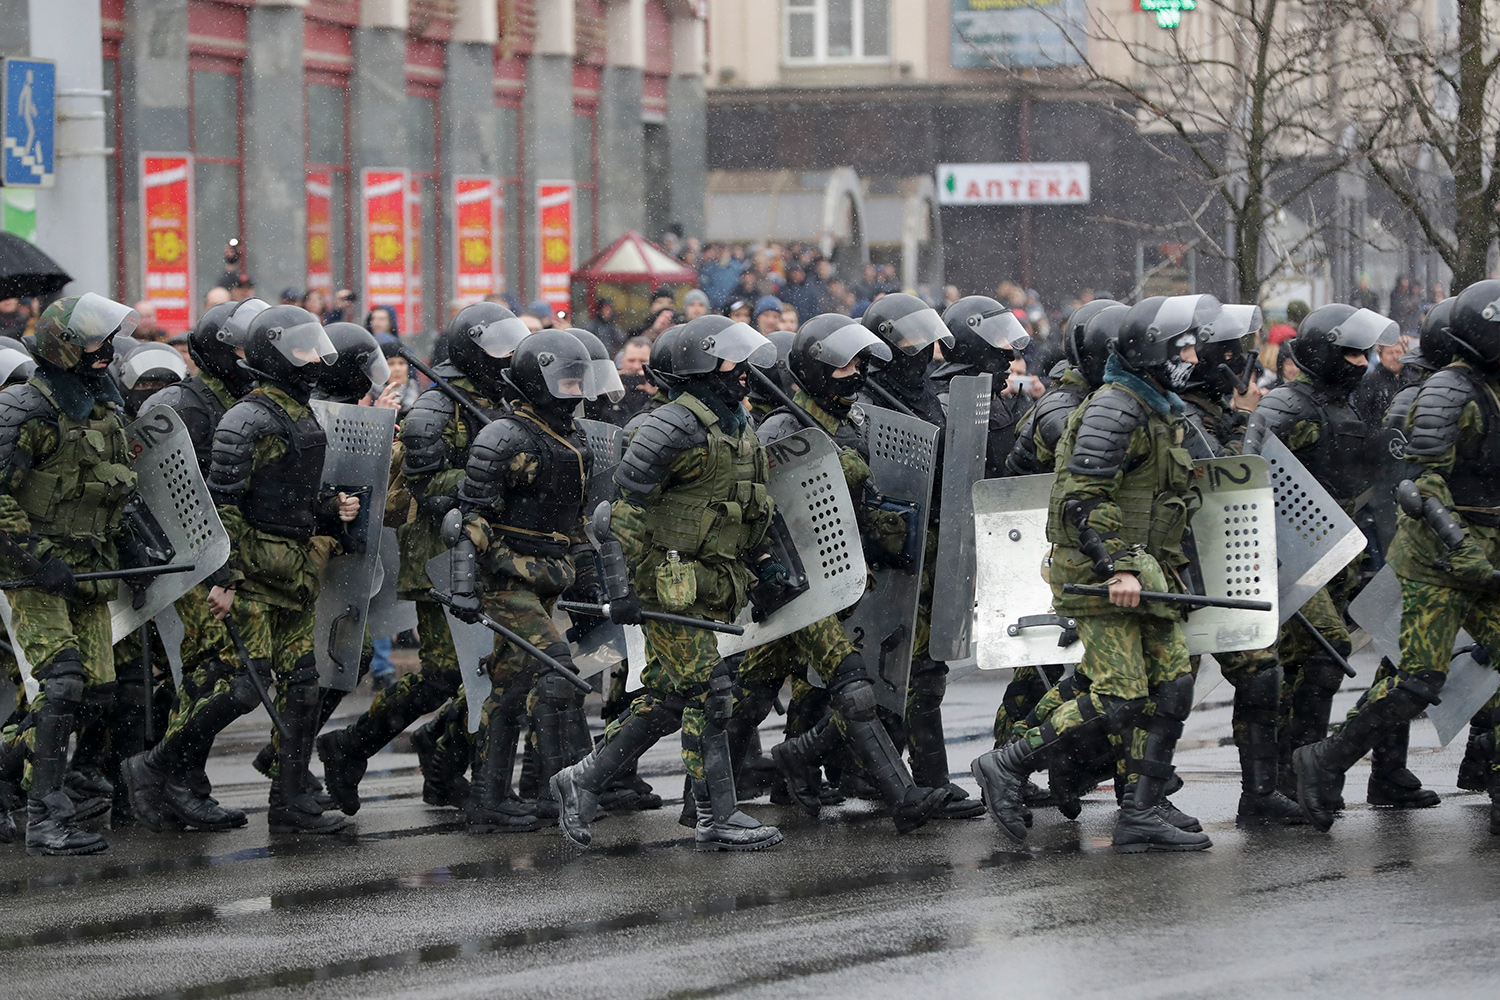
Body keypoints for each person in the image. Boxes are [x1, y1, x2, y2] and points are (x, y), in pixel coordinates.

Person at [971, 295, 1213, 853]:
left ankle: (1141, 811)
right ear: (1153, 351)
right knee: (1121, 694)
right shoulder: (1114, 408)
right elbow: (1082, 502)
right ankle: (1005, 764)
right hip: (1098, 572)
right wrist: (1117, 571)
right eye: (1184, 348)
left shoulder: (1156, 406)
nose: (1193, 357)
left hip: (1143, 570)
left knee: (1172, 686)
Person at [551, 314, 785, 851]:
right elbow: (617, 516)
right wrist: (622, 590)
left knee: (667, 697)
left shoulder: (737, 424)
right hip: (665, 584)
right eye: (730, 362)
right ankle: (716, 817)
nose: (743, 372)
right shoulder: (668, 426)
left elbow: (752, 506)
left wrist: (767, 561)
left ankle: (582, 779)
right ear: (700, 367)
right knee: (711, 691)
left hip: (713, 582)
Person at [124, 305, 357, 835]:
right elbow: (224, 506)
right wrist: (222, 580)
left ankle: (291, 799)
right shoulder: (244, 417)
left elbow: (284, 494)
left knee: (302, 685)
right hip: (248, 572)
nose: (314, 358)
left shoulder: (297, 410)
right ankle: (156, 767)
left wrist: (328, 508)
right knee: (238, 686)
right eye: (301, 348)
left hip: (293, 568)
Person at [1295, 280, 1500, 835]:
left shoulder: (1491, 387)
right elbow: (1418, 486)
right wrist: (1463, 548)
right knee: (1419, 679)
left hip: (1485, 554)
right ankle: (1326, 759)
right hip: (1438, 561)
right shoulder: (1448, 392)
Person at [316, 303, 530, 815]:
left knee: (483, 670)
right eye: (496, 346)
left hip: (489, 552)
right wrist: (491, 477)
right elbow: (425, 485)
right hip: (441, 553)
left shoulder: (499, 401)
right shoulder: (436, 408)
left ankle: (440, 759)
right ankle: (358, 745)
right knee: (450, 673)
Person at [751, 315, 949, 833]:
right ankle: (737, 788)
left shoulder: (856, 419)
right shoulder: (784, 426)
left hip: (853, 565)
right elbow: (768, 511)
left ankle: (801, 769)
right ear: (816, 369)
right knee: (790, 686)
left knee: (829, 683)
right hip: (804, 573)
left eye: (862, 363)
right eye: (845, 365)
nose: (857, 373)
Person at [444, 330, 611, 833]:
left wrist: (589, 581)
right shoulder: (503, 436)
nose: (572, 388)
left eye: (577, 379)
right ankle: (554, 790)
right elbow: (469, 519)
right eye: (563, 378)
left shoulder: (576, 439)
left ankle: (495, 797)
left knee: (510, 689)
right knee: (560, 673)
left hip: (548, 574)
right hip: (506, 576)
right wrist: (464, 584)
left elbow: (575, 523)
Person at [0, 295, 141, 854]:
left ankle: (18, 779)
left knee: (97, 693)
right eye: (91, 341)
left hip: (91, 571)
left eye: (107, 340)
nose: (104, 351)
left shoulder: (105, 408)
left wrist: (136, 554)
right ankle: (45, 815)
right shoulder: (23, 408)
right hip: (31, 573)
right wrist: (36, 560)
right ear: (61, 342)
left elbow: (120, 491)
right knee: (59, 686)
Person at [1243, 304, 1392, 802]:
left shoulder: (1347, 406)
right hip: (1286, 557)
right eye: (1350, 353)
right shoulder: (1287, 405)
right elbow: (1247, 478)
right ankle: (1291, 777)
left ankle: (1291, 776)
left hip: (1335, 552)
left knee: (1304, 666)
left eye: (1364, 352)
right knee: (1325, 654)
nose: (1361, 361)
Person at [125, 300, 262, 832]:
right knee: (218, 678)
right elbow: (176, 497)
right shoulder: (188, 405)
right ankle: (171, 780)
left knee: (206, 680)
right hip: (189, 565)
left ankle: (173, 780)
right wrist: (217, 571)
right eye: (242, 348)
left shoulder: (241, 401)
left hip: (220, 561)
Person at [1353, 339, 1410, 426]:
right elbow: (1364, 413)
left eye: (1398, 352)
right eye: (1390, 353)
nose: (1395, 357)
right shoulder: (1370, 381)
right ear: (1380, 357)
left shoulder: (1412, 378)